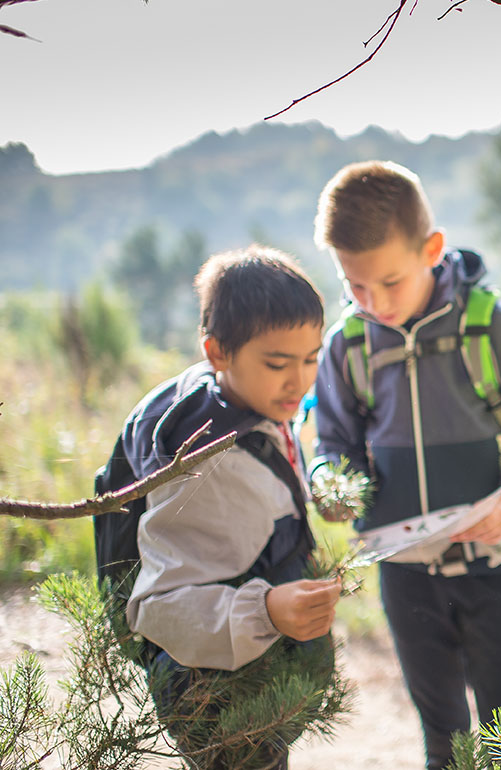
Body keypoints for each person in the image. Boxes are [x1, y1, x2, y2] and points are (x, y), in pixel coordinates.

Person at [310, 160, 501, 770]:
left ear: (431, 249)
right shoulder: (346, 345)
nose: (373, 303)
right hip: (406, 576)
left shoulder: (492, 328)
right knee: (444, 741)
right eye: (355, 287)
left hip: (499, 568)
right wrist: (331, 485)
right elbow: (334, 447)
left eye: (390, 282)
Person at [122, 246, 340, 767]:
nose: (299, 381)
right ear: (217, 352)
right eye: (277, 363)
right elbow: (158, 607)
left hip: (255, 690)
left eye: (311, 359)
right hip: (218, 704)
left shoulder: (253, 406)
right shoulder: (199, 464)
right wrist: (266, 610)